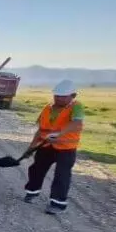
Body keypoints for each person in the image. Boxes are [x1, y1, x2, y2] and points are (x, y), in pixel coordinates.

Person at [24, 79, 84, 214]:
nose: (59, 98)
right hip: (46, 146)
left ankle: (57, 204)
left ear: (73, 96)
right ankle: (32, 192)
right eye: (56, 95)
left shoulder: (76, 107)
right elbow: (41, 130)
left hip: (66, 149)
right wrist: (31, 147)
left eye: (63, 96)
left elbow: (77, 124)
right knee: (36, 169)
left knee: (62, 175)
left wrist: (59, 134)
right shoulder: (47, 108)